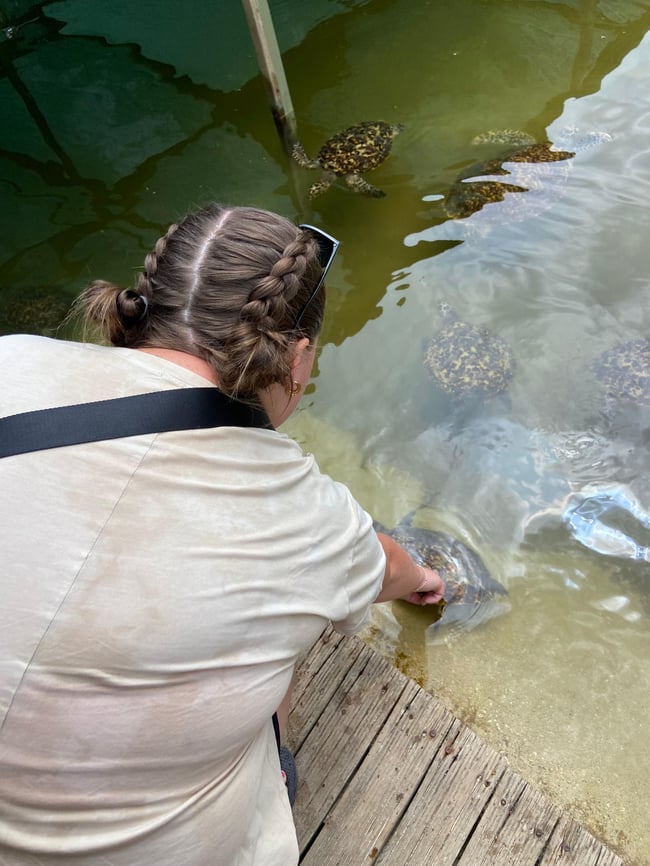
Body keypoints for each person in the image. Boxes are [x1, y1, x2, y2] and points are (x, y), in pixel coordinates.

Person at [0, 203, 444, 866]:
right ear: (297, 361)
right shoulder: (307, 516)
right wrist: (426, 580)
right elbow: (394, 573)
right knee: (296, 628)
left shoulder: (13, 360)